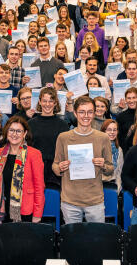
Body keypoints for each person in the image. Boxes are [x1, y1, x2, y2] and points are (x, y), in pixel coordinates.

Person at [0, 115, 45, 265]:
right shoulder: (0, 153)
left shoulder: (33, 154)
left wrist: (38, 213)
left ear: (25, 134)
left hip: (27, 210)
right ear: (7, 133)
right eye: (11, 130)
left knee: (26, 250)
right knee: (13, 249)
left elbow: (39, 186)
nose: (14, 134)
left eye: (18, 131)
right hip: (4, 210)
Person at [53, 96, 114, 224]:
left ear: (94, 113)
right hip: (70, 201)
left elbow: (110, 169)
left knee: (97, 239)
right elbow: (55, 165)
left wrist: (103, 165)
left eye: (90, 112)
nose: (86, 116)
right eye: (81, 112)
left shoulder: (103, 138)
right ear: (75, 113)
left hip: (95, 201)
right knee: (73, 241)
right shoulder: (63, 137)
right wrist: (60, 168)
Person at [28, 87, 69, 187]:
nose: (47, 104)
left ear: (55, 103)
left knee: (52, 199)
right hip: (35, 168)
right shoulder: (30, 124)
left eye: (51, 101)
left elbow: (65, 150)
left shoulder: (63, 125)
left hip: (55, 171)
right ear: (39, 102)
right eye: (44, 101)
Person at [101, 119, 123, 191]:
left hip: (114, 187)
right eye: (109, 130)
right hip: (100, 186)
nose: (112, 132)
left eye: (115, 130)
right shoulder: (97, 148)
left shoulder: (119, 150)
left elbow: (119, 172)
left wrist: (118, 189)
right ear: (103, 131)